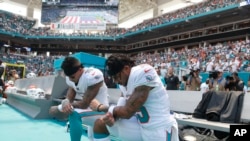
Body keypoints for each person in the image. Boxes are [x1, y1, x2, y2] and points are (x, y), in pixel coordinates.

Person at [91, 54, 178, 141]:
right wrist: (112, 118)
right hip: (140, 126)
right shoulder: (124, 82)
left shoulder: (142, 72)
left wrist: (100, 107)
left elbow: (127, 112)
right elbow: (119, 109)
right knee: (100, 124)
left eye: (116, 77)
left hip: (159, 128)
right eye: (113, 78)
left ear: (126, 68)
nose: (116, 81)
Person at [49, 56, 109, 141]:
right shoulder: (71, 78)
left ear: (80, 70)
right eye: (68, 77)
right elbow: (70, 94)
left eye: (72, 77)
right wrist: (66, 101)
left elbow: (85, 104)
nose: (70, 79)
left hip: (100, 110)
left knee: (74, 114)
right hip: (88, 112)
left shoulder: (92, 76)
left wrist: (60, 107)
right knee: (92, 138)